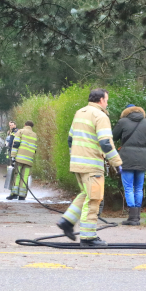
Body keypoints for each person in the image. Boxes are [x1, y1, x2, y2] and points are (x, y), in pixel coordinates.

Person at [56, 88, 122, 247]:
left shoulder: (79, 113)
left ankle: (67, 222)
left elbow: (70, 139)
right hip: (92, 165)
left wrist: (76, 156)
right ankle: (88, 238)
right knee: (94, 200)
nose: (107, 103)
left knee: (85, 195)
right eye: (106, 100)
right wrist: (117, 163)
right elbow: (105, 142)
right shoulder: (100, 116)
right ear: (101, 100)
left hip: (78, 164)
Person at [113, 103, 146, 225]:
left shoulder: (123, 122)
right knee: (139, 187)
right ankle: (137, 217)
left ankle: (132, 217)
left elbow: (113, 137)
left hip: (127, 158)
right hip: (142, 157)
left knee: (129, 187)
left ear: (127, 111)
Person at [7, 121, 37, 200]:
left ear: (25, 125)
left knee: (17, 175)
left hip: (20, 158)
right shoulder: (35, 135)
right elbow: (35, 149)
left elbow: (16, 144)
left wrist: (13, 156)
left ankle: (14, 193)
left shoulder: (20, 132)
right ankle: (22, 195)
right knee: (25, 176)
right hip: (29, 160)